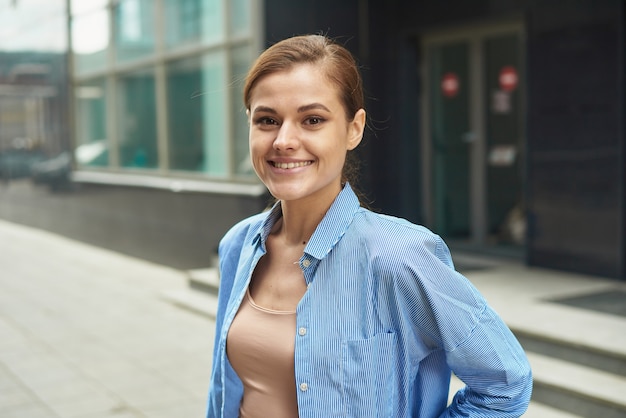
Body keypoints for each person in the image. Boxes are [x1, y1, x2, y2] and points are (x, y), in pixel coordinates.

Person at [206, 34, 532, 418]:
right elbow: (223, 392)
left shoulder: (400, 256)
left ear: (353, 129)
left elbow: (505, 384)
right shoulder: (238, 245)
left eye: (312, 120)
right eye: (267, 120)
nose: (284, 140)